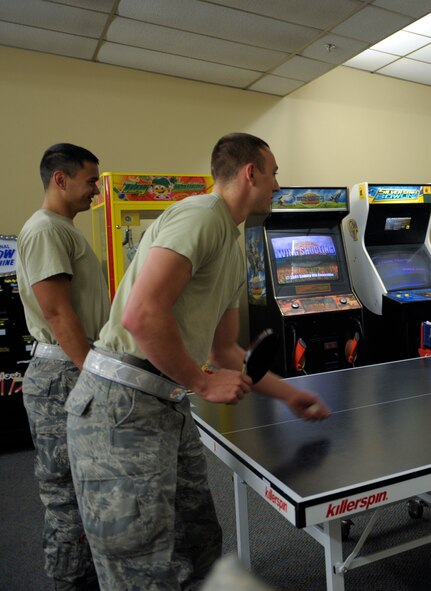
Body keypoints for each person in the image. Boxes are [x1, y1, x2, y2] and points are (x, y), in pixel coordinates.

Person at [65, 133, 332, 590]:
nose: (278, 186)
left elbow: (224, 350)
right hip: (121, 405)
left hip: (166, 400)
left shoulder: (234, 240)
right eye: (274, 174)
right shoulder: (201, 215)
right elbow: (142, 314)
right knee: (141, 565)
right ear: (251, 172)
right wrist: (203, 384)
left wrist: (292, 396)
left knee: (198, 540)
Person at [16, 143, 108, 590]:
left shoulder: (61, 229)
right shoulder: (46, 230)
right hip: (62, 375)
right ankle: (71, 584)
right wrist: (94, 373)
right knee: (66, 495)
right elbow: (57, 314)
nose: (96, 189)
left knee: (86, 488)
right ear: (61, 179)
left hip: (73, 367)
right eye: (91, 180)